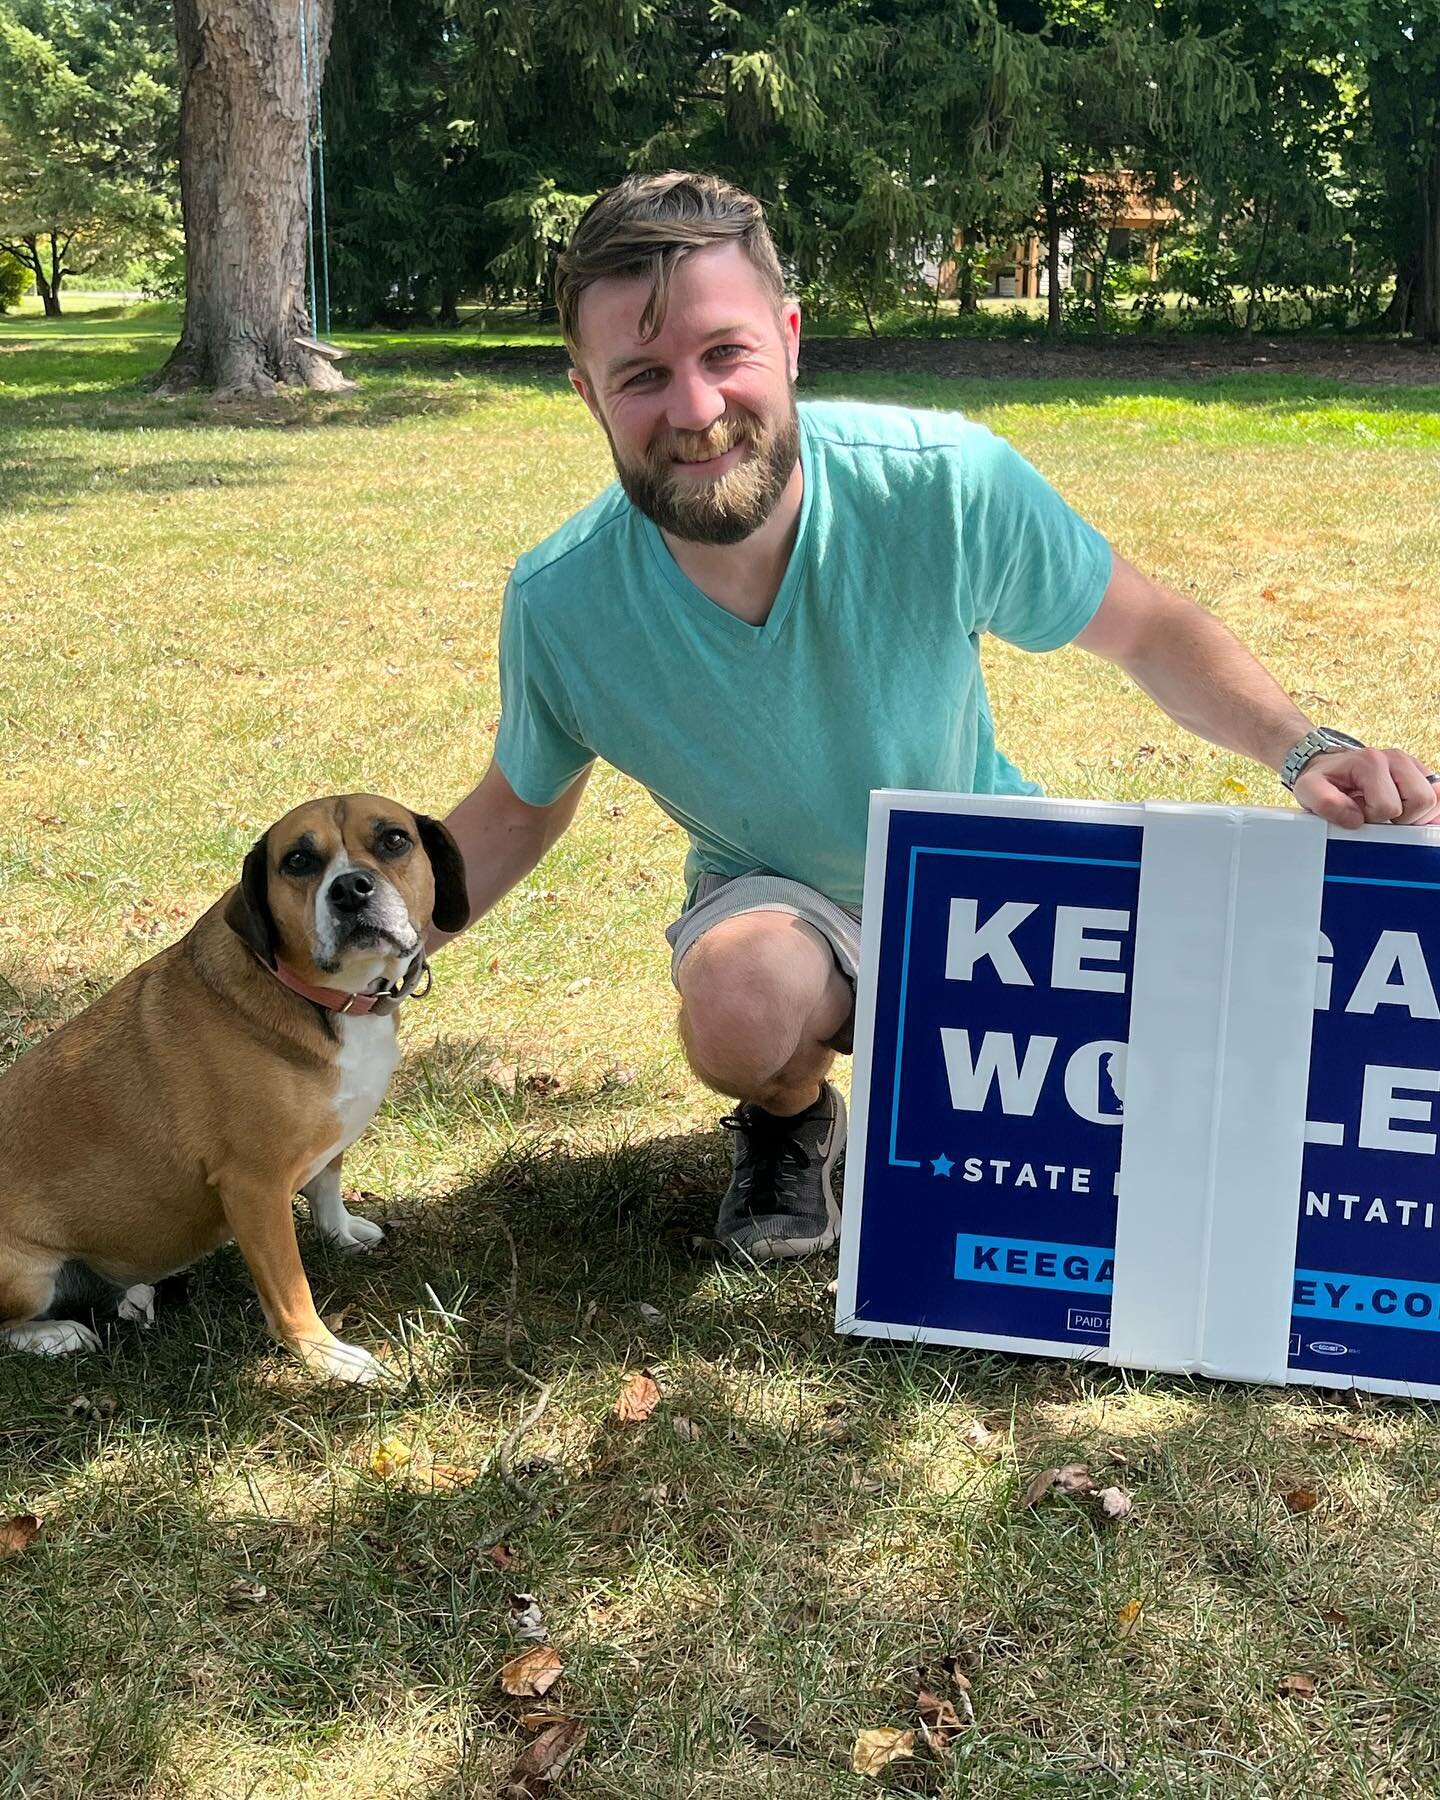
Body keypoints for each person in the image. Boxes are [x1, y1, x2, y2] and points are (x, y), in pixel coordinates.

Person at [434, 170, 1440, 1263]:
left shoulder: (942, 484)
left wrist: (1302, 746)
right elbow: (513, 815)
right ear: (587, 394)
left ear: (789, 338)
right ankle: (790, 1118)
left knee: (1181, 1091)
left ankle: (977, 1103)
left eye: (725, 353)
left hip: (990, 883)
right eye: (642, 375)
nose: (695, 410)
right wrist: (352, 966)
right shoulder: (564, 602)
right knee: (739, 997)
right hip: (782, 905)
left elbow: (1146, 628)